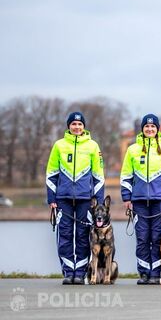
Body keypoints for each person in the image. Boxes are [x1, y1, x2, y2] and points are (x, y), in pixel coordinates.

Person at [120, 114, 161, 285]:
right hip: (138, 201)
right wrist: (126, 197)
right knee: (142, 238)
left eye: (153, 127)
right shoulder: (132, 149)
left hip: (160, 201)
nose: (150, 129)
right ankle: (144, 274)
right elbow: (126, 175)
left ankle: (156, 274)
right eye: (147, 127)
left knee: (157, 237)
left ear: (157, 129)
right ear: (142, 129)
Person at [46, 112, 105, 285]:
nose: (77, 127)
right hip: (62, 199)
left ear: (84, 127)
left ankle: (79, 273)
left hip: (85, 200)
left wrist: (98, 202)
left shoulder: (93, 146)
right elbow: (51, 174)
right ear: (69, 126)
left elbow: (98, 176)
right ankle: (67, 272)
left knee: (82, 235)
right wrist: (52, 199)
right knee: (64, 235)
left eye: (80, 124)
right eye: (74, 124)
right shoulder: (59, 145)